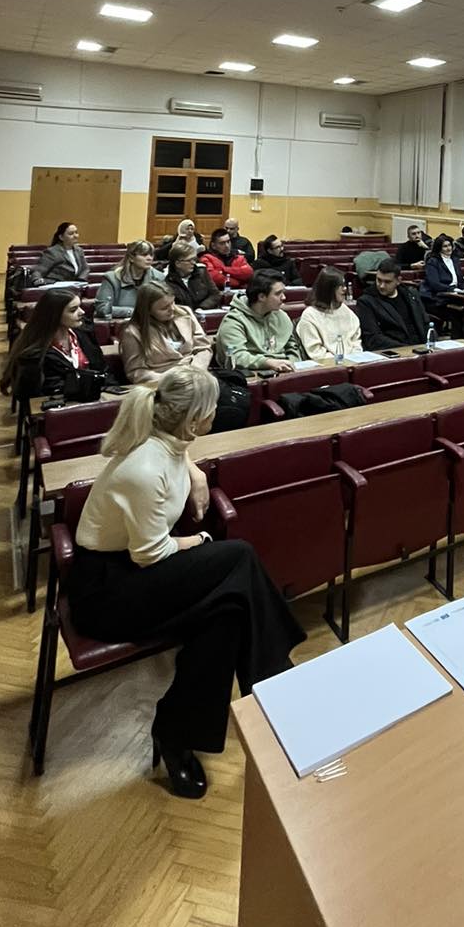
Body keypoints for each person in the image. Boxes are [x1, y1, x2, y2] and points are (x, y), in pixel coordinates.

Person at [66, 363, 305, 799]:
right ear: (195, 420)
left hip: (137, 572)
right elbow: (149, 554)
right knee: (239, 554)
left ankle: (176, 733)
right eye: (213, 407)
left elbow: (174, 454)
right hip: (107, 591)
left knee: (229, 612)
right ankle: (276, 685)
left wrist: (195, 471)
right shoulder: (145, 469)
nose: (221, 411)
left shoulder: (169, 442)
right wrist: (198, 539)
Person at [0, 289, 108, 402]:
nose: (82, 312)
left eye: (79, 307)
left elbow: (102, 368)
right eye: (73, 310)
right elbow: (35, 394)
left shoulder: (84, 334)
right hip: (57, 405)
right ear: (55, 315)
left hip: (92, 399)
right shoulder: (33, 354)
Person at [119, 284, 213, 385]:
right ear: (148, 311)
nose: (172, 309)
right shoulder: (133, 332)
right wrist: (174, 379)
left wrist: (196, 370)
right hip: (163, 383)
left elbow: (203, 347)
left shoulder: (185, 312)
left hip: (195, 375)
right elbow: (136, 372)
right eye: (164, 308)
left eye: (173, 302)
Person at [216, 272, 302, 374]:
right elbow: (237, 357)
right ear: (261, 297)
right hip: (252, 374)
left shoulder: (281, 316)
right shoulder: (233, 321)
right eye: (278, 293)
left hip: (286, 371)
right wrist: (268, 362)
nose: (283, 297)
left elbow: (292, 347)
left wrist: (292, 363)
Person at [355, 258, 430, 351]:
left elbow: (426, 323)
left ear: (398, 281)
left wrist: (432, 342)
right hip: (395, 352)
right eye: (379, 280)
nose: (381, 286)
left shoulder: (411, 294)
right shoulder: (366, 301)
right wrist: (407, 349)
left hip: (422, 348)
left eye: (387, 282)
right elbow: (373, 339)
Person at [297, 266, 362, 362]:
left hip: (353, 362)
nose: (344, 289)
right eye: (340, 286)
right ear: (328, 289)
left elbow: (355, 341)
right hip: (328, 365)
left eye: (344, 284)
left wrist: (355, 358)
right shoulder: (310, 315)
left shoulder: (345, 310)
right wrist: (340, 362)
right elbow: (316, 352)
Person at [94, 240, 158, 321]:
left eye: (151, 255)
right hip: (120, 324)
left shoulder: (158, 278)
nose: (149, 258)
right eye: (144, 255)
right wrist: (134, 312)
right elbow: (103, 308)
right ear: (131, 258)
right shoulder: (112, 278)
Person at [159, 239, 223, 313]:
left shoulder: (201, 272)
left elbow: (215, 294)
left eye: (194, 259)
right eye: (189, 260)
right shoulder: (167, 280)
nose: (193, 263)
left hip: (203, 313)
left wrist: (202, 308)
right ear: (178, 263)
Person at [421, 233, 461, 312]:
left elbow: (461, 280)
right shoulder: (433, 261)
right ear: (439, 248)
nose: (448, 248)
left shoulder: (455, 260)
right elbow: (434, 284)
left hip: (454, 294)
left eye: (449, 245)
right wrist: (452, 289)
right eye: (445, 246)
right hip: (438, 296)